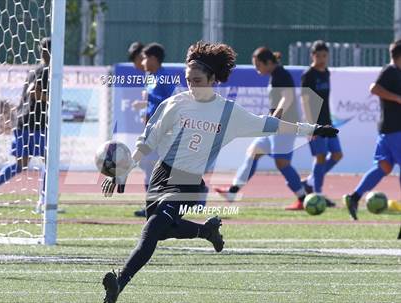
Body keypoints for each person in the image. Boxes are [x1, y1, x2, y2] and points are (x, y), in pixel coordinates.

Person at [100, 41, 338, 302]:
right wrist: (123, 171)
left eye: (198, 80)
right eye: (189, 80)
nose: (192, 85)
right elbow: (147, 142)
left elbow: (268, 124)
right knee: (164, 230)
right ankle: (206, 232)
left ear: (213, 79)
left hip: (188, 181)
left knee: (153, 228)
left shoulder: (228, 112)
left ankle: (119, 282)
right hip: (162, 174)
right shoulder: (175, 104)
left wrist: (312, 129)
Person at [215, 47, 307, 210]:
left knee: (282, 163)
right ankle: (232, 192)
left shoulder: (281, 75)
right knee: (253, 152)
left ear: (269, 62)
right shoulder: (275, 74)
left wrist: (276, 116)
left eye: (258, 65)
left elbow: (288, 97)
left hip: (284, 125)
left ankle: (303, 198)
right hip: (274, 126)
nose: (257, 69)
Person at [0, 37, 51, 213]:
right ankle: (43, 202)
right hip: (36, 123)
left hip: (22, 122)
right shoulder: (46, 70)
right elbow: (34, 91)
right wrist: (51, 101)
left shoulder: (33, 70)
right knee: (49, 163)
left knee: (21, 163)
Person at [344, 40, 401, 220]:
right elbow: (374, 88)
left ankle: (354, 197)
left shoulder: (397, 72)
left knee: (383, 167)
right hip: (395, 129)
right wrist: (397, 98)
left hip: (388, 129)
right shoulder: (390, 71)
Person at [131, 43, 177, 217]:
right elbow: (153, 103)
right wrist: (144, 106)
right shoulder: (151, 77)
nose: (142, 62)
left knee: (153, 166)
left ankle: (156, 206)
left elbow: (171, 102)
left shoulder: (164, 78)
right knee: (149, 166)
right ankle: (154, 205)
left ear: (154, 59)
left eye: (145, 58)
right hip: (152, 131)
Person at [301, 40, 343, 207]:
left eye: (324, 55)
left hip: (328, 121)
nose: (322, 59)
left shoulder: (326, 72)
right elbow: (305, 100)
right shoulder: (308, 75)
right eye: (318, 55)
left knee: (337, 154)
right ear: (313, 56)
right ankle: (318, 194)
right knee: (320, 157)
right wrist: (311, 126)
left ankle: (310, 181)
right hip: (315, 123)